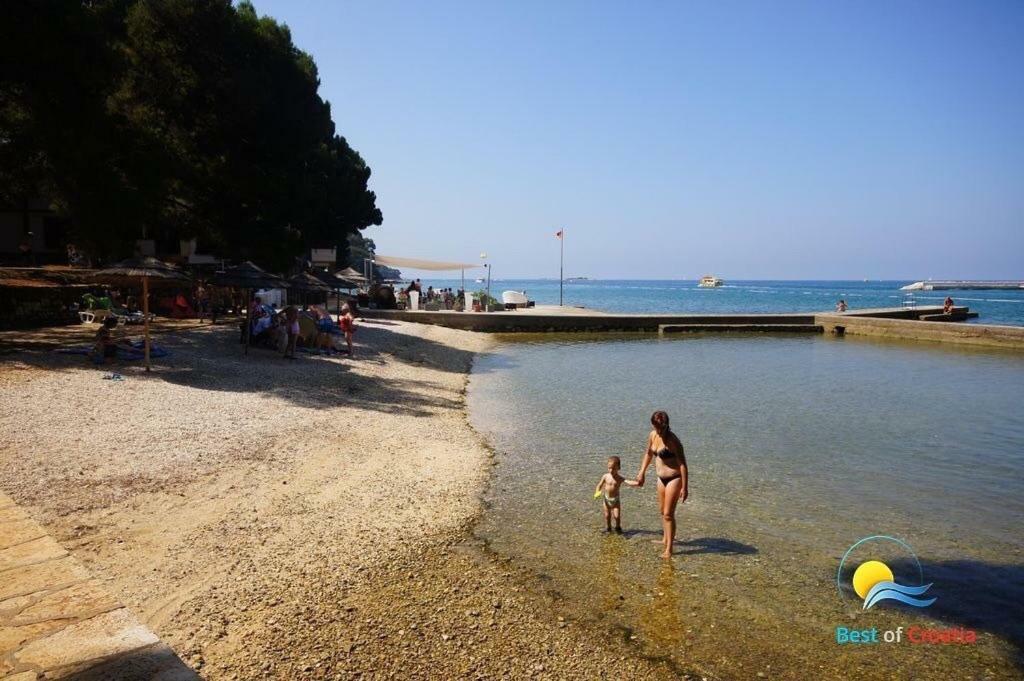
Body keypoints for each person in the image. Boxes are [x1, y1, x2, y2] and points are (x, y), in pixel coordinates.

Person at [634, 411, 689, 559]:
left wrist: (685, 487)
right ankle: (665, 539)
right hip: (660, 478)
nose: (659, 431)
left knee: (668, 514)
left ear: (667, 425)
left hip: (674, 478)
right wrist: (642, 472)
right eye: (657, 427)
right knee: (662, 512)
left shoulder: (673, 441)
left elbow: (683, 465)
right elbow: (648, 454)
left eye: (662, 428)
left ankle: (669, 549)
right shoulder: (653, 435)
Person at [594, 456, 638, 534]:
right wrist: (597, 492)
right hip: (606, 499)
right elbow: (599, 485)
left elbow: (628, 482)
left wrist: (637, 483)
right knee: (607, 516)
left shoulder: (619, 478)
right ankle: (608, 528)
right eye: (609, 468)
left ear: (618, 468)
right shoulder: (605, 476)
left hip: (615, 500)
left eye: (613, 468)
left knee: (616, 516)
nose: (611, 470)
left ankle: (618, 527)